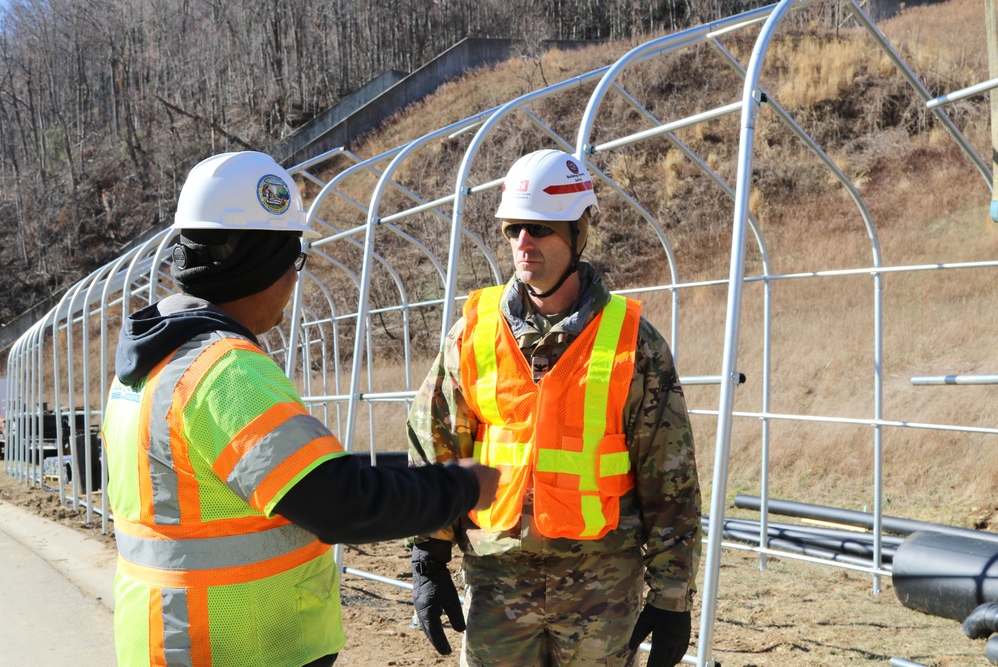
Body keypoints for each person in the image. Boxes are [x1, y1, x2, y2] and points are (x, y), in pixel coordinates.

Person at [101, 151, 499, 667]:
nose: (294, 282)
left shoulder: (144, 366)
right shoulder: (223, 371)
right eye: (293, 261)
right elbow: (340, 502)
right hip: (232, 645)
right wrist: (461, 486)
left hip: (168, 635)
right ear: (259, 265)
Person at [406, 148, 702, 667]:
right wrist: (428, 555)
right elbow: (436, 444)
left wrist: (672, 595)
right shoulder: (472, 333)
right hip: (498, 582)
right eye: (513, 228)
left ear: (576, 232)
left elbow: (669, 474)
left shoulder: (634, 342)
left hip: (601, 588)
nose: (523, 242)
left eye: (540, 229)